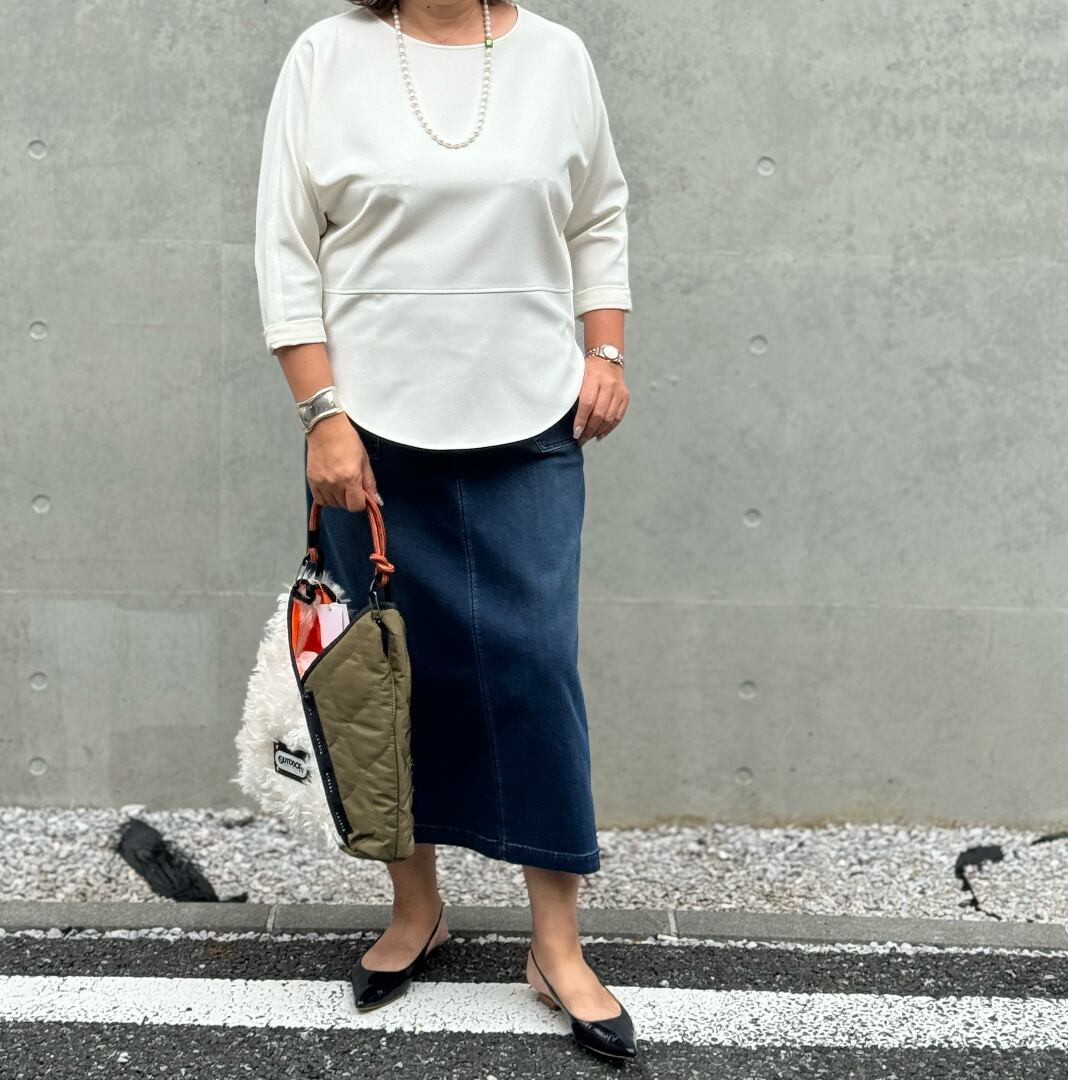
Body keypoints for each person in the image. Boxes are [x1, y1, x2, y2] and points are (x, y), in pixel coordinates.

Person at [253, 0, 635, 1060]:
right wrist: (320, 415)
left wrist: (605, 351)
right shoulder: (326, 56)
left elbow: (599, 213)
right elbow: (287, 246)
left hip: (532, 414)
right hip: (369, 430)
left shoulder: (555, 56)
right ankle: (416, 910)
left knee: (537, 667)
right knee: (388, 673)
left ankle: (555, 945)